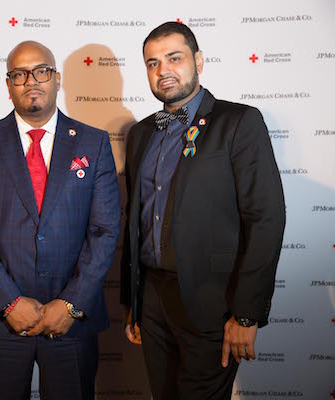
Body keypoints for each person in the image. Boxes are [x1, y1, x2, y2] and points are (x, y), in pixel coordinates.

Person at [120, 22, 286, 399]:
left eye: (173, 58)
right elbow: (136, 220)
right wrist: (133, 301)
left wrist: (246, 314)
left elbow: (266, 219)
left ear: (198, 60)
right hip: (152, 301)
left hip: (212, 302)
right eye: (152, 63)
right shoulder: (141, 134)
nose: (163, 70)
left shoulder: (239, 122)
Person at [0, 41, 121, 400]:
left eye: (41, 71)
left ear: (57, 79)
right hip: (0, 321)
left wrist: (72, 304)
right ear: (8, 84)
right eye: (19, 74)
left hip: (71, 322)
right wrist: (8, 302)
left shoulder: (93, 143)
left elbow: (104, 231)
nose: (32, 80)